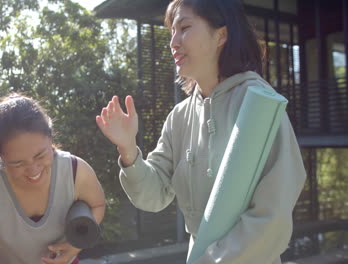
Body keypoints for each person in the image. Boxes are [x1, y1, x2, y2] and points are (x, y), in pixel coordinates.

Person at [96, 0, 306, 263]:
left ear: (222, 34)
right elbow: (154, 196)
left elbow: (271, 218)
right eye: (171, 32)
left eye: (184, 27)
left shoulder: (260, 104)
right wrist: (128, 150)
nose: (173, 42)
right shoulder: (179, 117)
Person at [0, 93, 105, 264]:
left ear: (50, 138)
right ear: (0, 156)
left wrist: (74, 247)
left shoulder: (76, 171)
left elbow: (97, 205)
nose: (33, 169)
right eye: (17, 163)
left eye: (40, 155)